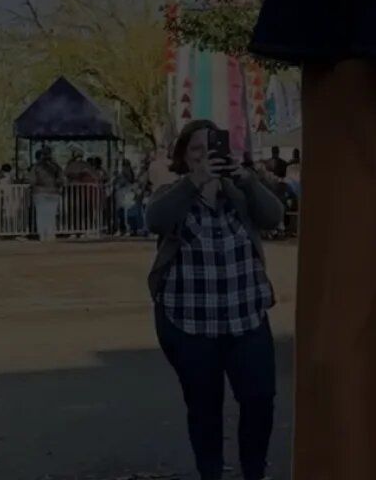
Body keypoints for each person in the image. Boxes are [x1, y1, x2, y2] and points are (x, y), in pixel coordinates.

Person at [146, 120, 284, 480]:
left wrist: (246, 180)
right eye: (196, 150)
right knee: (204, 408)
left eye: (213, 149)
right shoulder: (173, 192)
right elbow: (155, 220)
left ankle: (254, 471)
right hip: (189, 321)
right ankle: (211, 473)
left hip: (246, 318)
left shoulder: (238, 191)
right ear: (184, 157)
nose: (206, 157)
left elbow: (273, 217)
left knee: (259, 400)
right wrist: (195, 182)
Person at [31, 147, 63, 242]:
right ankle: (50, 234)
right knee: (51, 214)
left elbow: (32, 180)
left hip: (39, 192)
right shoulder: (56, 166)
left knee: (40, 214)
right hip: (53, 192)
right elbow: (61, 180)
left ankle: (42, 234)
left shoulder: (36, 167)